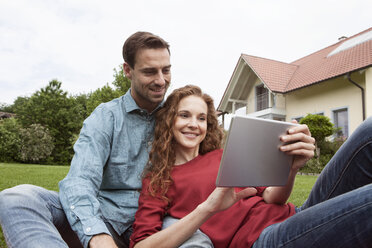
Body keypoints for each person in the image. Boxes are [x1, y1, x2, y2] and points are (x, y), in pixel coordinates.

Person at [0, 32, 209, 248]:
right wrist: (96, 234)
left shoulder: (180, 118)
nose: (160, 80)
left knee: (198, 242)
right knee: (17, 198)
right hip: (103, 215)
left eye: (166, 70)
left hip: (159, 221)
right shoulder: (106, 117)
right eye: (149, 72)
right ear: (128, 70)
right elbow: (79, 181)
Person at [130, 85, 372, 248]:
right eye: (184, 115)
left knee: (368, 130)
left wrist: (291, 168)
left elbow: (272, 197)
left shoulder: (224, 155)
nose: (194, 124)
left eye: (201, 118)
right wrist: (207, 209)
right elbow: (142, 245)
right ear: (169, 121)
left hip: (297, 215)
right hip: (264, 240)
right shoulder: (159, 179)